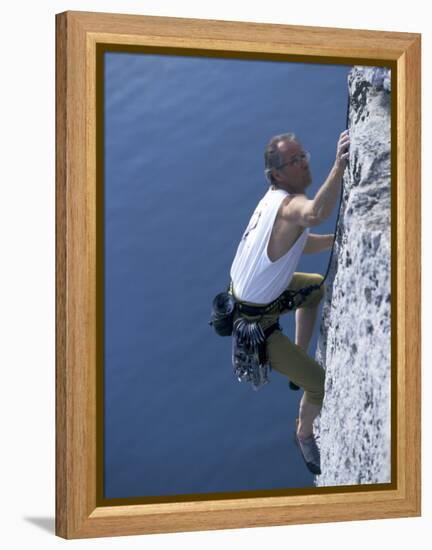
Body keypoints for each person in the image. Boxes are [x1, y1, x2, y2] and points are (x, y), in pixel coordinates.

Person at [229, 129, 350, 475]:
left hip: (254, 298)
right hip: (256, 325)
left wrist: (335, 240)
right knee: (319, 383)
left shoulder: (272, 200)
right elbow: (312, 214)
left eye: (303, 156)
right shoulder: (289, 206)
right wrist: (338, 167)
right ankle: (304, 433)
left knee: (313, 290)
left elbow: (299, 240)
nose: (302, 164)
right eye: (293, 161)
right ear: (277, 174)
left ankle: (297, 351)